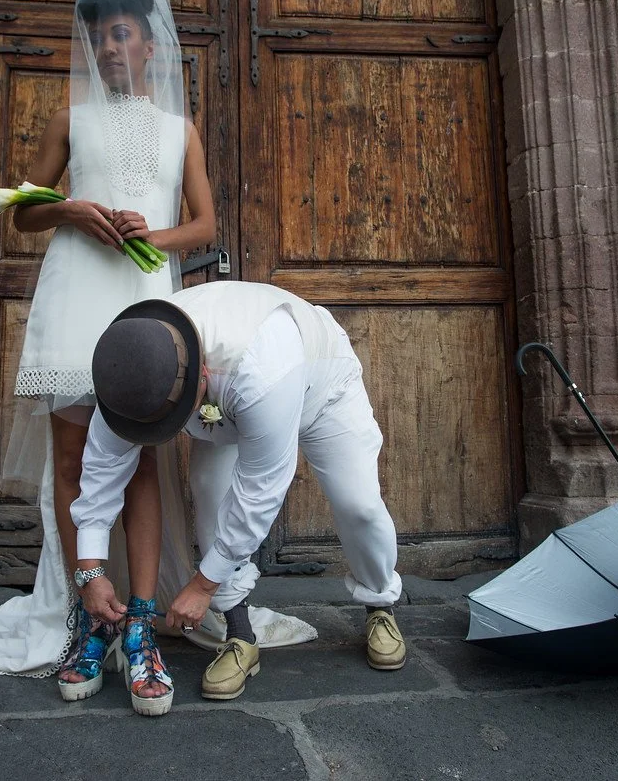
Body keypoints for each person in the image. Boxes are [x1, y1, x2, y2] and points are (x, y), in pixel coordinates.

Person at [0, 0, 213, 716]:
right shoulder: (69, 122)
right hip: (72, 297)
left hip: (142, 304)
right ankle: (89, 609)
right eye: (101, 37)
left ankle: (142, 620)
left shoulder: (178, 130)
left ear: (151, 46)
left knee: (142, 457)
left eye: (126, 34)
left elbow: (204, 225)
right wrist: (72, 212)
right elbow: (22, 217)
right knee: (70, 458)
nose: (113, 46)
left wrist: (151, 235)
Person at [71, 281, 407, 700]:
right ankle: (240, 634)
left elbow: (260, 490)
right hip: (229, 401)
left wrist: (201, 586)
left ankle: (379, 603)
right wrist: (90, 570)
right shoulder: (130, 364)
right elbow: (101, 472)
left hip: (321, 386)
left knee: (359, 506)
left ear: (202, 377)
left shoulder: (261, 369)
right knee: (209, 487)